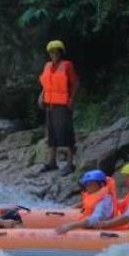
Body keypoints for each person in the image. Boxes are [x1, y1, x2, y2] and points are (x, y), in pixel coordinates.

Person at [38, 39, 79, 176]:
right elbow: (46, 84)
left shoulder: (67, 65)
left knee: (66, 134)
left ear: (61, 53)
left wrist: (72, 99)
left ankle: (70, 164)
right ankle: (52, 162)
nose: (53, 54)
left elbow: (75, 83)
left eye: (56, 52)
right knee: (52, 135)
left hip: (63, 105)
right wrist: (41, 96)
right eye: (51, 52)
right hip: (50, 104)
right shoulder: (47, 65)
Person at [55, 170, 117, 234]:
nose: (88, 187)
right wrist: (74, 206)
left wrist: (70, 226)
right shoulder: (99, 196)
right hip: (93, 224)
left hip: (103, 230)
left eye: (91, 184)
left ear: (102, 184)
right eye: (87, 184)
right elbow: (89, 203)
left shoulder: (103, 202)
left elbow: (94, 219)